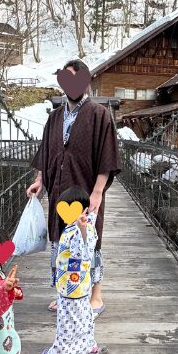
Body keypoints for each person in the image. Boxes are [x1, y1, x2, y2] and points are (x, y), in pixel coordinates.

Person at [27, 59, 121, 317]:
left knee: (89, 242)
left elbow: (107, 156)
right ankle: (65, 293)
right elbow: (47, 152)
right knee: (61, 243)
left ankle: (95, 296)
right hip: (59, 192)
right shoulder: (54, 117)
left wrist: (98, 192)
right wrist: (39, 180)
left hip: (86, 193)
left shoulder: (99, 114)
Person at [41, 187, 103, 354]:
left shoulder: (78, 230)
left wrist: (81, 230)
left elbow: (80, 253)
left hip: (70, 287)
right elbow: (90, 221)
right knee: (84, 316)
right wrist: (88, 217)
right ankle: (89, 345)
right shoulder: (88, 224)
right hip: (82, 286)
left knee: (66, 321)